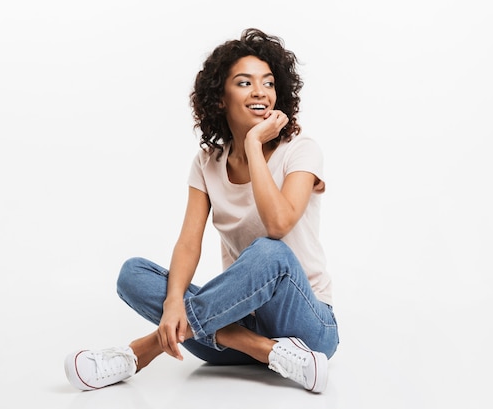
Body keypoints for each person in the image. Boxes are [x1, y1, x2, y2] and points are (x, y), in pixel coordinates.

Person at [64, 28, 339, 394]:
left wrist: (254, 144)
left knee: (270, 252)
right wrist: (175, 301)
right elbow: (188, 244)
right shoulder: (208, 162)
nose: (260, 92)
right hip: (236, 326)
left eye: (268, 83)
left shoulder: (301, 150)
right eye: (244, 83)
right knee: (133, 274)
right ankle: (264, 350)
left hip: (309, 324)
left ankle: (138, 354)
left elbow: (278, 223)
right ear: (220, 99)